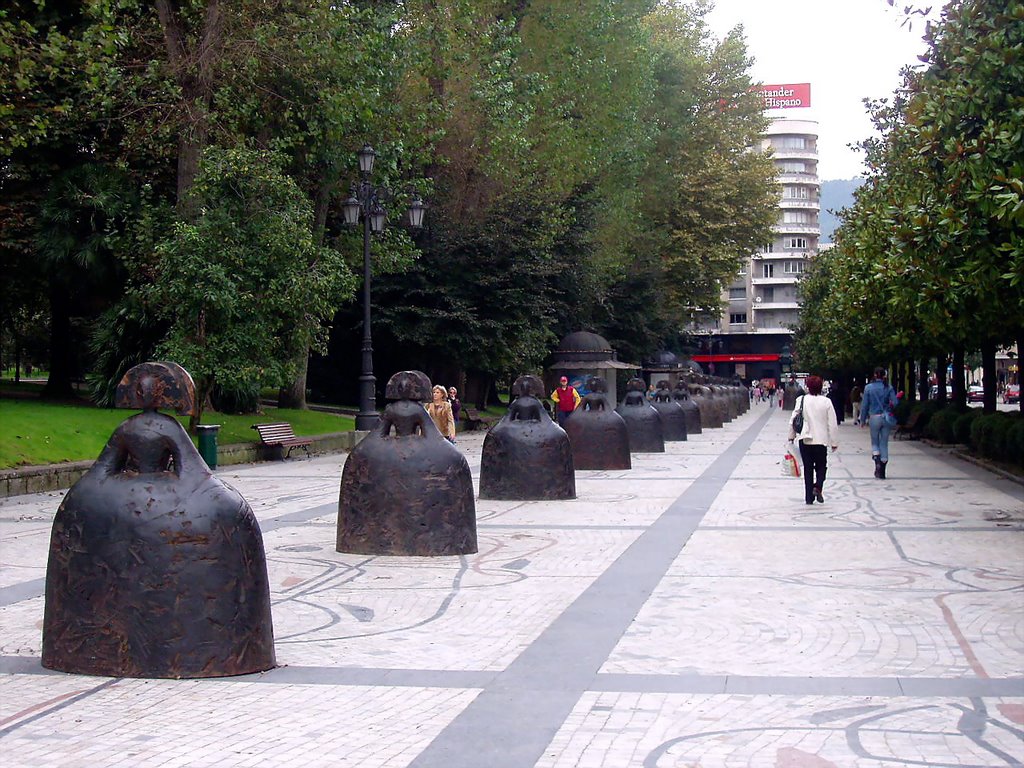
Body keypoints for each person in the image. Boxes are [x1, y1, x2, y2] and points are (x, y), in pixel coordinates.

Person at [788, 375, 839, 504]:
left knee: (808, 468)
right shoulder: (826, 402)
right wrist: (834, 441)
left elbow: (793, 419)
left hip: (805, 439)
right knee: (821, 466)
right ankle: (818, 486)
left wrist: (791, 436)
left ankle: (809, 498)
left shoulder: (801, 400)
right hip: (821, 440)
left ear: (808, 386)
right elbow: (832, 423)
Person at [860, 367, 898, 478]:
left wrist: (862, 420)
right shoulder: (889, 387)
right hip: (886, 417)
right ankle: (883, 469)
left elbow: (865, 405)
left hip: (874, 417)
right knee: (884, 443)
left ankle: (876, 460)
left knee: (875, 442)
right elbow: (895, 402)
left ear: (875, 375)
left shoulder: (868, 388)